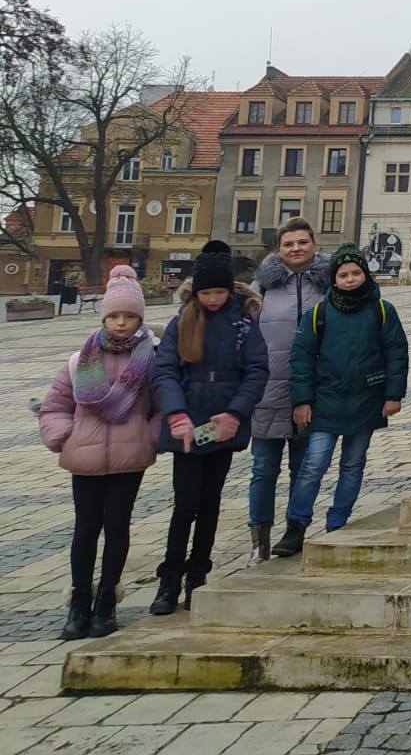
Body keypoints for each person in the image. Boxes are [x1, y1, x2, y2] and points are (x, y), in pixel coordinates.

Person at [38, 265, 160, 639]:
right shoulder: (80, 359)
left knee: (117, 526)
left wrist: (148, 436)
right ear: (104, 317)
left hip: (129, 456)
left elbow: (162, 408)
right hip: (85, 456)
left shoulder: (151, 359)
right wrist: (65, 436)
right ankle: (79, 602)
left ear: (139, 318)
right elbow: (54, 406)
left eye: (129, 316)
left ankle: (107, 601)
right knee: (86, 527)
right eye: (114, 315)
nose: (121, 323)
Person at [149, 240, 269, 614]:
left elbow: (256, 371)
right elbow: (164, 371)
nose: (213, 299)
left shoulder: (243, 323)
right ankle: (170, 578)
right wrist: (175, 413)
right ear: (196, 292)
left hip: (222, 425)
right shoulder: (181, 321)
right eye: (206, 293)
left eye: (219, 292)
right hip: (188, 423)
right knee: (185, 504)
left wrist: (235, 414)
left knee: (210, 502)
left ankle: (198, 574)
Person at [273, 244, 408, 555]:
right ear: (334, 279)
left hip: (367, 399)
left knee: (353, 464)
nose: (350, 279)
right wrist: (302, 400)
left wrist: (393, 395)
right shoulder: (318, 314)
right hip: (327, 400)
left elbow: (396, 353)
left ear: (365, 275)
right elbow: (301, 359)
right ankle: (296, 525)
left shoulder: (382, 311)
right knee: (313, 464)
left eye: (355, 273)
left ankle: (338, 522)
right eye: (343, 275)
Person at [248, 218, 330, 563]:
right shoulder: (261, 287)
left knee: (305, 467)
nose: (296, 248)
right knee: (263, 468)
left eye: (302, 242)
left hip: (313, 390)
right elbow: (245, 335)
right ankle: (259, 538)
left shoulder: (328, 284)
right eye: (288, 244)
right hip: (267, 389)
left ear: (314, 245)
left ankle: (295, 529)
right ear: (278, 249)